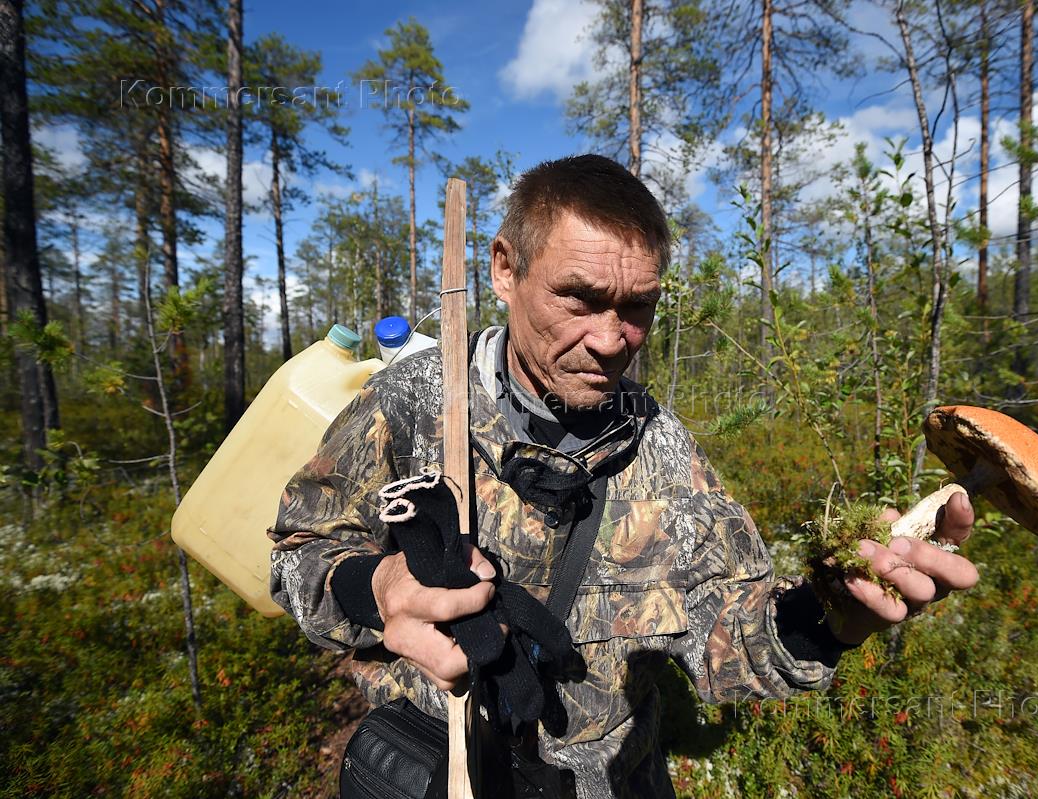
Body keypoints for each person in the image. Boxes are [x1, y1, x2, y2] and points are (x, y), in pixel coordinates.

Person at [269, 154, 978, 799]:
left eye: (636, 306)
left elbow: (731, 629)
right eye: (578, 298)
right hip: (437, 767)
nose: (611, 342)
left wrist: (826, 618)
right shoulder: (416, 401)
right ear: (505, 269)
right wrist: (374, 587)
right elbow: (299, 551)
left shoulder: (662, 450)